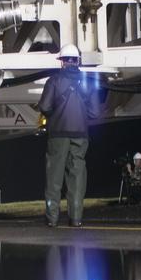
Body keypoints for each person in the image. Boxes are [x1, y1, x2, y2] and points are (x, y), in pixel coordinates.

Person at [38, 43, 101, 227]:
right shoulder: (88, 81)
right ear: (77, 61)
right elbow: (95, 112)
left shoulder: (54, 81)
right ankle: (76, 219)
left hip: (57, 134)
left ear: (62, 62)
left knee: (54, 178)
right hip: (81, 135)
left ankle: (52, 219)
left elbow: (44, 107)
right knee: (77, 177)